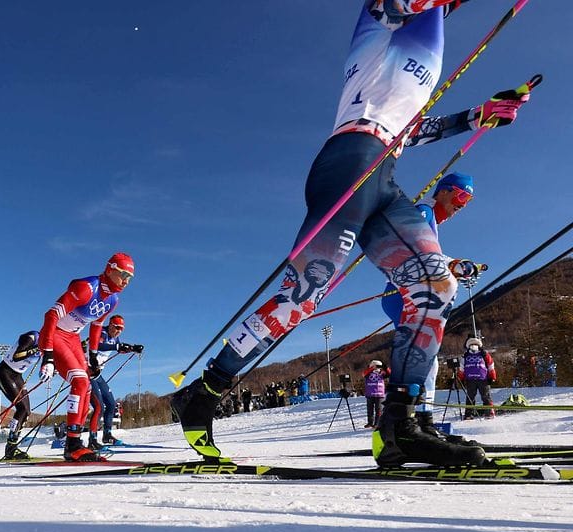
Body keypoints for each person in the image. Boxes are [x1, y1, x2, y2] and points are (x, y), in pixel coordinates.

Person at [171, 1, 530, 467]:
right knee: (300, 298)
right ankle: (204, 393)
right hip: (349, 159)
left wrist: (479, 114)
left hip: (385, 171)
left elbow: (412, 129)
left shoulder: (429, 42)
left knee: (436, 287)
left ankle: (400, 426)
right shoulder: (385, 20)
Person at [380, 171, 481, 444]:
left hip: (410, 293)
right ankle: (409, 426)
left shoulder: (432, 219)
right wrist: (453, 265)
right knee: (420, 357)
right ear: (444, 191)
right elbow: (421, 252)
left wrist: (454, 268)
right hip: (403, 294)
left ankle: (422, 423)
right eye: (461, 196)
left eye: (469, 200)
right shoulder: (424, 211)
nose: (463, 204)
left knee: (428, 360)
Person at [39, 252, 134, 462]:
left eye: (130, 277)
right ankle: (71, 444)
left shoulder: (113, 299)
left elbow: (97, 325)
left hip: (73, 337)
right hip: (56, 335)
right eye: (123, 274)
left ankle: (77, 440)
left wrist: (92, 356)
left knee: (88, 386)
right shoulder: (86, 288)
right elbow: (51, 315)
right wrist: (47, 355)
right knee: (80, 381)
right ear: (110, 269)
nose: (126, 281)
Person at [84, 315, 144, 448]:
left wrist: (132, 348)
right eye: (116, 327)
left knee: (111, 404)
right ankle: (92, 440)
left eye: (121, 329)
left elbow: (118, 347)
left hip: (97, 374)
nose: (118, 331)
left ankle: (107, 435)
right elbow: (98, 345)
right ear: (110, 324)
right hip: (86, 372)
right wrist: (117, 346)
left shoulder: (115, 338)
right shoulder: (102, 333)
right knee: (99, 407)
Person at [0, 330, 41, 460]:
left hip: (17, 376)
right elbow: (17, 356)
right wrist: (36, 348)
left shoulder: (48, 345)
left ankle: (12, 446)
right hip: (5, 373)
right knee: (22, 408)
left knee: (26, 411)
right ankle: (10, 448)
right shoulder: (32, 337)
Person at [459, 336, 496, 419]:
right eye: (471, 344)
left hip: (483, 379)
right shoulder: (465, 355)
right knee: (470, 397)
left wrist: (492, 376)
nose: (473, 346)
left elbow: (491, 365)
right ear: (469, 346)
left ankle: (489, 412)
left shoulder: (484, 354)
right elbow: (461, 368)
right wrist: (460, 378)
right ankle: (469, 414)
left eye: (475, 344)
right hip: (470, 380)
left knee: (486, 396)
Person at [363, 360, 388, 428]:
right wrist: (371, 368)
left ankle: (377, 423)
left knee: (379, 410)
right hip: (370, 394)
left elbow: (389, 373)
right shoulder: (368, 373)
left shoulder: (382, 372)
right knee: (370, 409)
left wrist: (385, 367)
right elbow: (363, 374)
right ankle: (370, 423)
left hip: (380, 394)